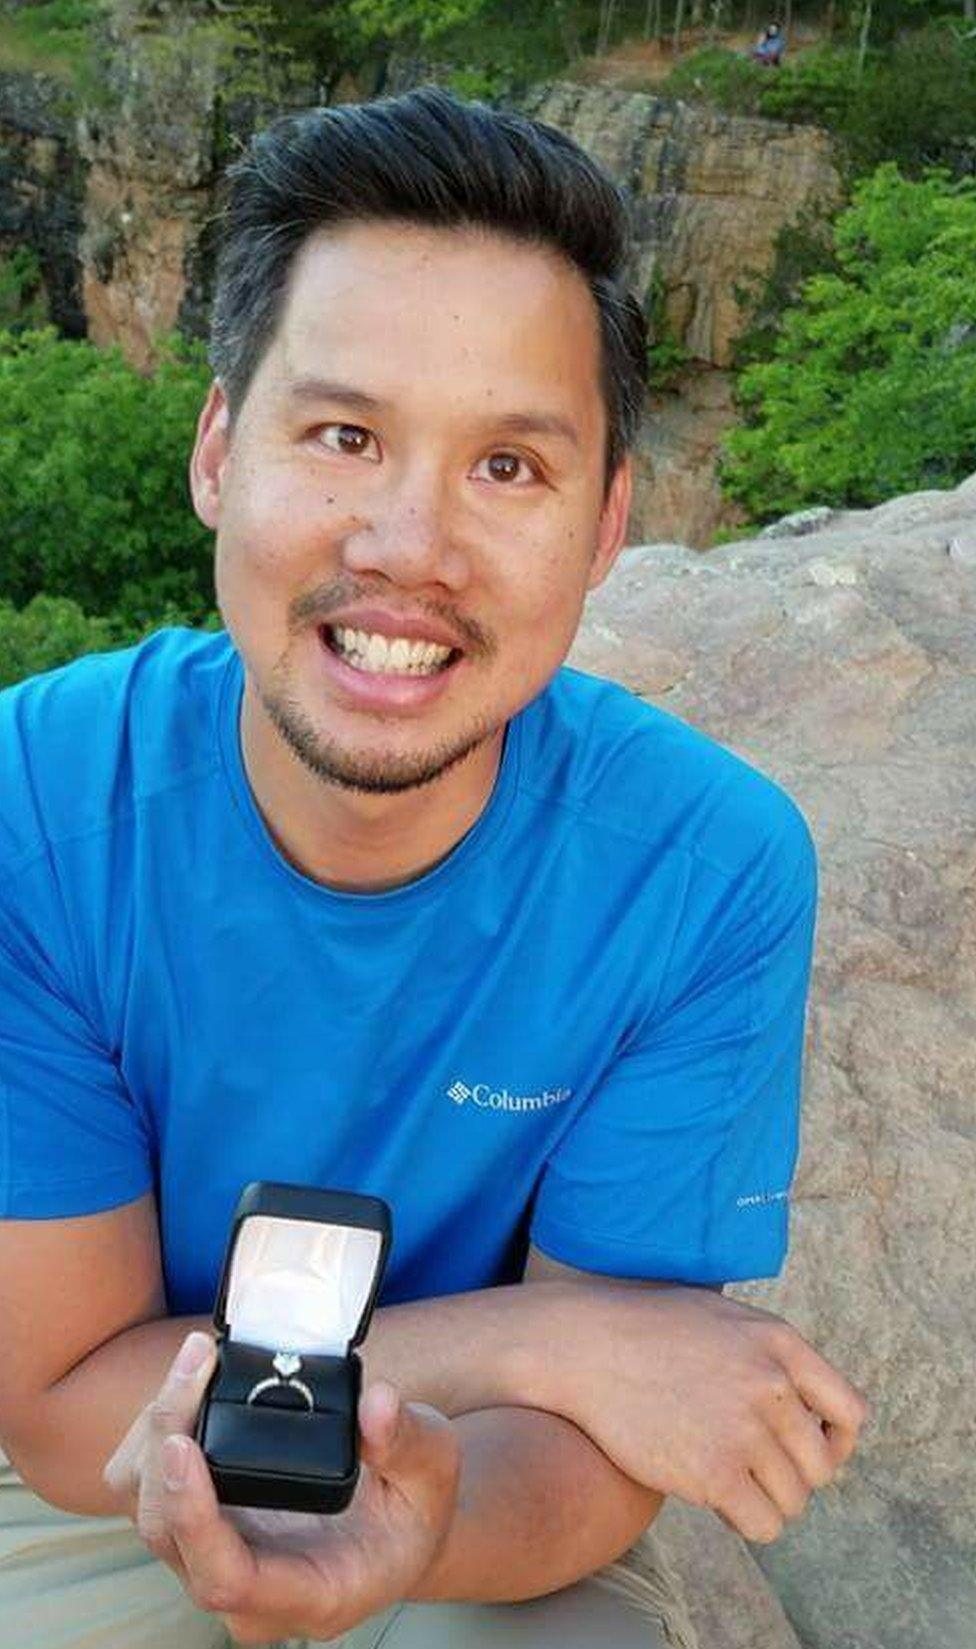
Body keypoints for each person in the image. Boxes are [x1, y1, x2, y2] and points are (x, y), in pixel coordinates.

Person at [0, 86, 866, 1649]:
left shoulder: (702, 872)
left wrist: (419, 1527)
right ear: (215, 450)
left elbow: (607, 1449)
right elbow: (65, 1410)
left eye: (509, 469)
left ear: (608, 525)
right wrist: (544, 1334)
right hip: (94, 1493)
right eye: (345, 434)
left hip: (471, 1495)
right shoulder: (37, 811)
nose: (410, 543)